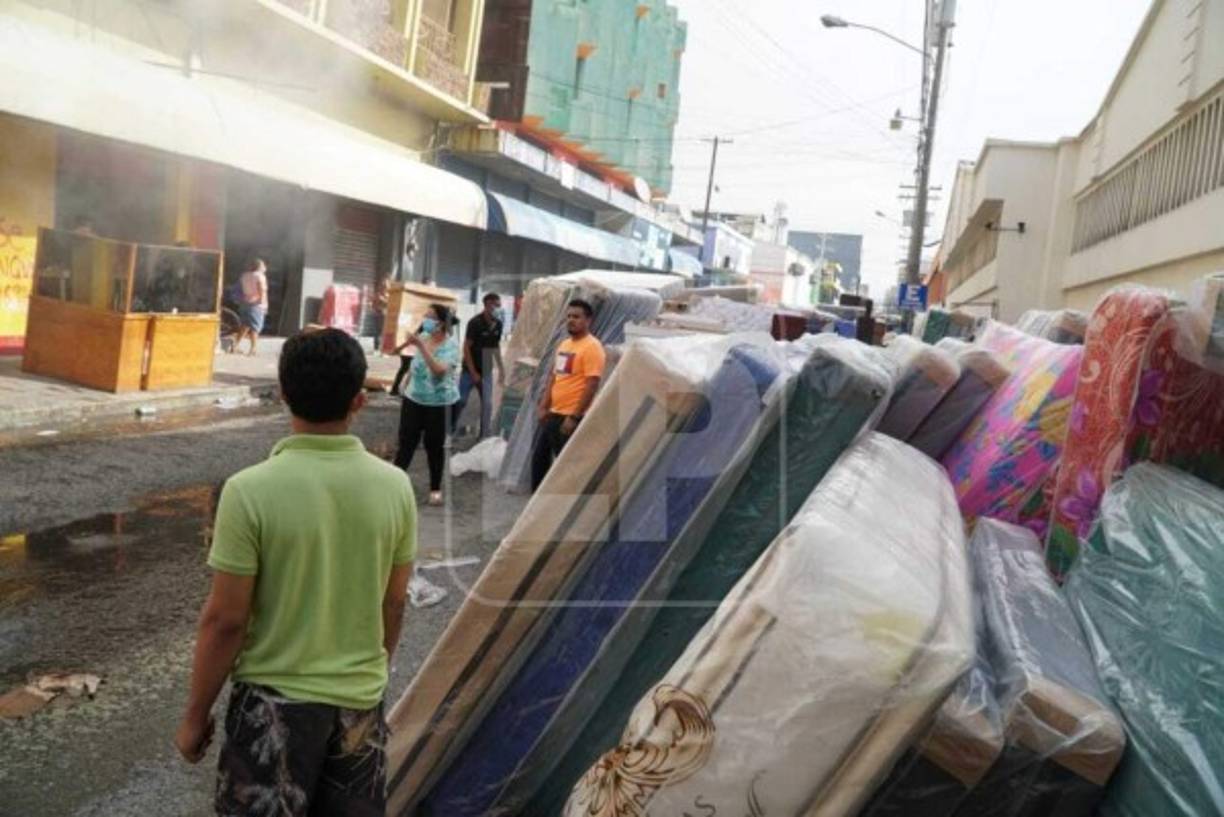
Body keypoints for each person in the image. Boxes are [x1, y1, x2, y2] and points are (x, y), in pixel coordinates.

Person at [174, 328, 416, 816]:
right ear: (358, 402)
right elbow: (394, 601)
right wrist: (368, 673)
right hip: (357, 709)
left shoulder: (248, 491)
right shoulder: (396, 488)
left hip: (270, 709)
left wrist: (195, 716)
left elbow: (226, 620)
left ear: (283, 394)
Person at [531, 298, 606, 490]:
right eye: (569, 316)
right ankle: (537, 506)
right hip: (553, 414)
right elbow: (554, 377)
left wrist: (574, 416)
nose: (571, 320)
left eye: (577, 317)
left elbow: (592, 384)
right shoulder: (564, 345)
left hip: (570, 417)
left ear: (588, 320)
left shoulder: (592, 347)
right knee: (538, 461)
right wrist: (543, 406)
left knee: (567, 468)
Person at [393, 303, 461, 506]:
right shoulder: (423, 337)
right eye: (426, 315)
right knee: (406, 443)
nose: (426, 319)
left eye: (430, 316)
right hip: (414, 400)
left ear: (441, 324)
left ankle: (435, 488)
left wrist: (421, 347)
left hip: (440, 404)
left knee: (434, 446)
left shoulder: (452, 347)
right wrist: (407, 381)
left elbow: (438, 371)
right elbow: (413, 363)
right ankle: (394, 485)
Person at [451, 292, 505, 438]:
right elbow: (466, 347)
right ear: (487, 305)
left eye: (500, 306)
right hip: (470, 369)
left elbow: (495, 346)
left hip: (486, 368)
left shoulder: (498, 324)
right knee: (461, 400)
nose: (499, 309)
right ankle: (450, 430)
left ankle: (483, 435)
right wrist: (473, 372)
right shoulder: (475, 323)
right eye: (496, 305)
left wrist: (501, 368)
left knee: (487, 404)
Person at [234, 257, 269, 356]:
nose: (265, 267)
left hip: (245, 303)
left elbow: (240, 289)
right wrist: (262, 304)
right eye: (263, 265)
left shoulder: (244, 275)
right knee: (255, 328)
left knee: (245, 325)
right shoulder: (260, 276)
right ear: (259, 266)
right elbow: (261, 290)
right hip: (256, 304)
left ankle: (235, 346)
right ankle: (253, 349)